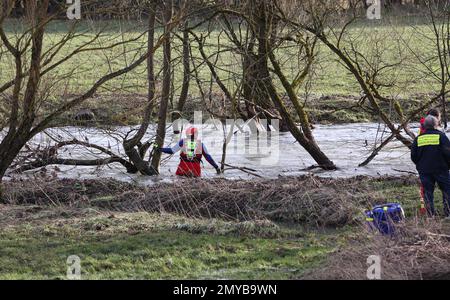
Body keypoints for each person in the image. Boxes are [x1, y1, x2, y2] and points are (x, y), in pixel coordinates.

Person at [411, 115, 450, 218]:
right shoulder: (441, 136)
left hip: (424, 170)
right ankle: (448, 214)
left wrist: (420, 166)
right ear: (436, 124)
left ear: (424, 125)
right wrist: (448, 166)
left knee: (428, 193)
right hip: (441, 169)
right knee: (447, 191)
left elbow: (413, 156)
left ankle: (430, 215)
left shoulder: (418, 139)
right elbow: (448, 153)